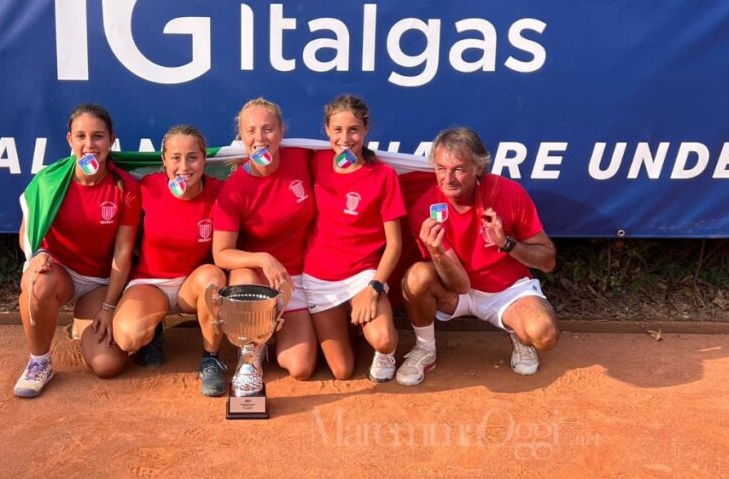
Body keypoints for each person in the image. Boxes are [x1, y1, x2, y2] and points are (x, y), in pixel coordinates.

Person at [397, 126, 559, 386]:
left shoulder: (509, 193)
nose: (448, 179)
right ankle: (425, 348)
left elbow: (548, 262)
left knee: (544, 334)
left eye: (459, 169)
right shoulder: (425, 208)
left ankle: (518, 334)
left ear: (479, 168)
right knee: (416, 275)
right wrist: (436, 252)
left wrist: (506, 243)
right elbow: (460, 285)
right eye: (441, 168)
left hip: (506, 291)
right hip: (458, 291)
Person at [13, 103, 141, 398]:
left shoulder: (126, 187)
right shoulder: (50, 180)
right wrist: (37, 255)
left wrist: (109, 307)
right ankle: (39, 362)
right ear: (70, 140)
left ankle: (88, 323)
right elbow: (28, 232)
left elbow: (123, 253)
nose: (89, 145)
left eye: (97, 136)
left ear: (111, 140)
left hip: (100, 283)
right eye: (80, 136)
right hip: (59, 273)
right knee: (36, 282)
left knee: (107, 365)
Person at [100, 125, 228, 396]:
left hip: (192, 285)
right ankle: (151, 333)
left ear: (204, 160)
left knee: (213, 278)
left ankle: (211, 359)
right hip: (150, 283)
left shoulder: (220, 192)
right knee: (127, 337)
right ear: (163, 162)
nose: (184, 166)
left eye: (192, 157)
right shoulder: (146, 188)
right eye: (175, 158)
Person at [213, 97, 318, 387]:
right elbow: (221, 254)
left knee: (301, 367)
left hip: (294, 279)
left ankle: (269, 333)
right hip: (256, 279)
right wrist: (262, 258)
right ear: (242, 137)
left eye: (268, 129)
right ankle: (251, 355)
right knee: (244, 276)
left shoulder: (302, 157)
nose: (260, 138)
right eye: (251, 131)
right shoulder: (233, 189)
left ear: (282, 131)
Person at [301, 95, 404, 382]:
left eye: (353, 130)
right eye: (337, 130)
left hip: (363, 276)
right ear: (326, 130)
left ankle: (381, 349)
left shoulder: (384, 175)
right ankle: (352, 326)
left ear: (366, 129)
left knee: (383, 340)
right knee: (342, 371)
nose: (345, 138)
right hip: (319, 278)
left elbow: (395, 244)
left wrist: (373, 288)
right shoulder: (316, 161)